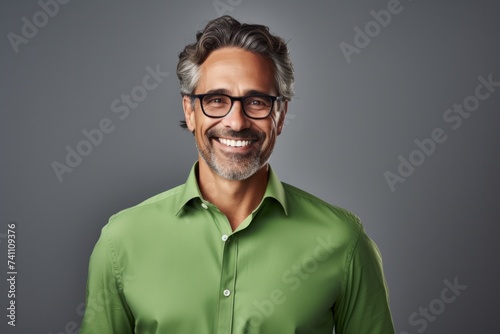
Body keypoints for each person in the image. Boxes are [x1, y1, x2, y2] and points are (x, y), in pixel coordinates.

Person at [81, 15, 395, 334]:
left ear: (280, 115)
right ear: (189, 111)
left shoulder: (344, 242)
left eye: (256, 102)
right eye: (216, 100)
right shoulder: (121, 242)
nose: (236, 121)